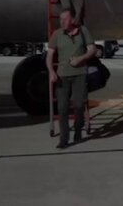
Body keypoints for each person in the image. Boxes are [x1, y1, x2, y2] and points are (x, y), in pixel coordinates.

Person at [46, 8, 96, 149]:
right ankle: (64, 138)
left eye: (65, 19)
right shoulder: (57, 34)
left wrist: (81, 58)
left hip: (80, 75)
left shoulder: (83, 31)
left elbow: (92, 50)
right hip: (62, 76)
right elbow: (49, 55)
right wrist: (51, 71)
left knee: (79, 106)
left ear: (72, 20)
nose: (62, 22)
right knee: (62, 108)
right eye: (60, 19)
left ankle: (78, 130)